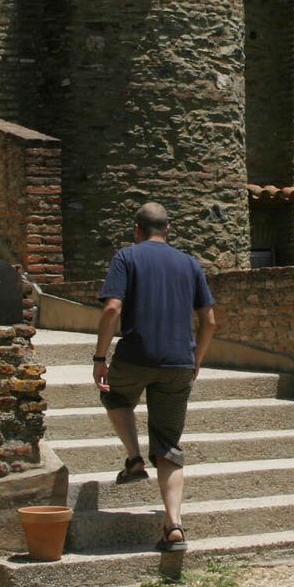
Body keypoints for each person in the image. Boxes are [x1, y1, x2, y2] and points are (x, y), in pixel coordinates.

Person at [92, 201, 217, 552]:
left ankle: (133, 459)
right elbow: (209, 321)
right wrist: (197, 360)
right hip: (179, 363)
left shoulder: (127, 257)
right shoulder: (190, 264)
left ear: (137, 228)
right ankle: (174, 526)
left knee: (114, 394)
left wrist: (100, 357)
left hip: (135, 356)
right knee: (169, 447)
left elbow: (112, 308)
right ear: (168, 229)